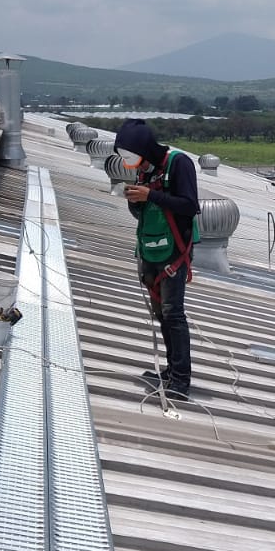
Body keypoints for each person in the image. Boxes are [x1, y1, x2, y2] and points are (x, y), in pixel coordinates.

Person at [113, 119, 199, 400]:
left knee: (174, 313)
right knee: (161, 313)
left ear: (145, 149)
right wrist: (136, 201)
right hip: (151, 248)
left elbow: (189, 206)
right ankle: (171, 370)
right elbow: (143, 214)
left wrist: (151, 194)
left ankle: (181, 379)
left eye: (131, 156)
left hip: (174, 250)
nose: (130, 163)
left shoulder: (178, 164)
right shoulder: (144, 170)